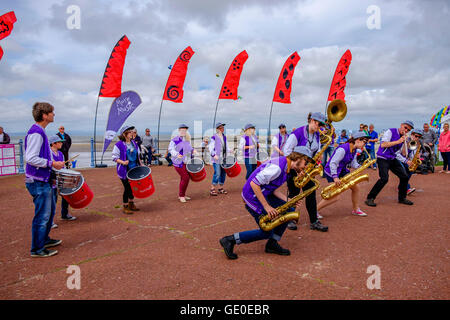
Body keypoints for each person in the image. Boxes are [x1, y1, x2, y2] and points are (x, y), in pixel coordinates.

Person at [219, 150, 312, 260]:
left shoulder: (286, 167)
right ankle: (230, 240)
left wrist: (289, 200)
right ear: (297, 159)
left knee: (290, 210)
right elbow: (254, 183)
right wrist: (266, 206)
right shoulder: (277, 168)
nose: (305, 167)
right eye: (305, 163)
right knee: (266, 230)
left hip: (264, 193)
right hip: (252, 197)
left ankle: (272, 244)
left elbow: (274, 190)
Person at [25, 102, 65, 258]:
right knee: (42, 215)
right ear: (44, 115)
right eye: (52, 112)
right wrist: (52, 163)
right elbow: (30, 158)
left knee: (49, 212)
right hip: (38, 181)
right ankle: (37, 249)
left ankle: (45, 239)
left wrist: (53, 166)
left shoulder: (40, 131)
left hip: (43, 179)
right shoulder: (36, 132)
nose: (53, 114)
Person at [283, 112, 329, 232]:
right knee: (294, 194)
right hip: (295, 169)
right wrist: (297, 167)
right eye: (319, 125)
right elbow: (286, 151)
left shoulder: (317, 135)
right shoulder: (297, 133)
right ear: (313, 121)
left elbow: (317, 150)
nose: (320, 128)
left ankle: (314, 221)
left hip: (308, 169)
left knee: (311, 194)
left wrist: (319, 155)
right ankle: (289, 219)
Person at [317, 131, 370, 217]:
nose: (365, 144)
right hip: (332, 170)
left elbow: (353, 163)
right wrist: (335, 177)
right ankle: (314, 210)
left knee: (356, 188)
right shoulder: (343, 149)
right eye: (364, 141)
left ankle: (356, 209)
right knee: (335, 196)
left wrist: (361, 166)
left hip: (341, 170)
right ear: (357, 140)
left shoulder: (354, 149)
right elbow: (333, 163)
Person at [365, 120, 415, 207]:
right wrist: (398, 141)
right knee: (384, 179)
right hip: (383, 158)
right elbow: (383, 145)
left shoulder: (403, 138)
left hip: (392, 158)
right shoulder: (390, 131)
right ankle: (370, 198)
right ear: (401, 125)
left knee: (404, 177)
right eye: (405, 127)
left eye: (408, 130)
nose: (406, 130)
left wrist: (406, 161)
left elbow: (397, 153)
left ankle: (402, 198)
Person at [112, 125, 142, 214]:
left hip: (134, 169)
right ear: (124, 134)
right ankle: (125, 206)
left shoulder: (134, 143)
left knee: (133, 187)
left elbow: (138, 156)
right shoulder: (119, 145)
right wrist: (123, 162)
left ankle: (131, 204)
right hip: (124, 170)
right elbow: (114, 157)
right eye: (130, 132)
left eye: (132, 131)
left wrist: (141, 165)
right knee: (127, 188)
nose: (132, 133)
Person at [49, 135, 77, 227]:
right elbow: (49, 165)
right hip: (51, 178)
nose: (62, 143)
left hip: (60, 177)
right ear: (53, 143)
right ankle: (50, 221)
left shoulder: (60, 153)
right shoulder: (48, 153)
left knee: (66, 196)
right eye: (60, 142)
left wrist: (65, 168)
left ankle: (65, 214)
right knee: (53, 199)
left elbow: (62, 166)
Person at [168, 124, 198, 203]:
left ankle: (182, 195)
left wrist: (193, 150)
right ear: (179, 130)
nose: (183, 131)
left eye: (185, 130)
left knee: (183, 178)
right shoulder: (175, 139)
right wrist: (177, 154)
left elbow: (189, 148)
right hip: (178, 162)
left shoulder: (186, 139)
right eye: (182, 130)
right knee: (185, 177)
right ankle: (181, 196)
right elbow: (170, 149)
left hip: (185, 162)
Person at [396, 129, 423, 195]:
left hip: (407, 161)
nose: (417, 138)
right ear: (412, 135)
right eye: (416, 136)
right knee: (404, 174)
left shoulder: (415, 144)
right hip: (398, 159)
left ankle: (400, 187)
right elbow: (397, 154)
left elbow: (412, 154)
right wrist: (406, 161)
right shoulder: (404, 141)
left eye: (419, 137)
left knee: (409, 172)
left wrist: (417, 156)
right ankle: (406, 189)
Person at [208, 122, 232, 196]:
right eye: (221, 128)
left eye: (223, 127)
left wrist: (230, 150)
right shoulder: (214, 137)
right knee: (217, 173)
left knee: (223, 173)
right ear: (217, 129)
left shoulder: (224, 137)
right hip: (216, 158)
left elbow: (226, 147)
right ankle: (212, 188)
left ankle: (220, 188)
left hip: (223, 158)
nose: (222, 129)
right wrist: (213, 155)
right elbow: (210, 148)